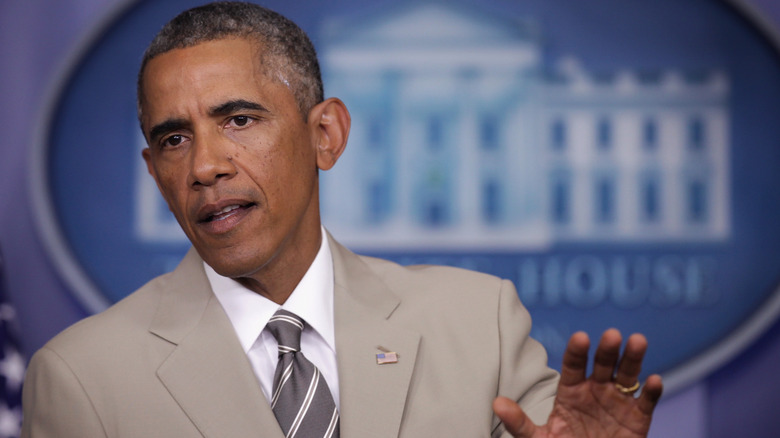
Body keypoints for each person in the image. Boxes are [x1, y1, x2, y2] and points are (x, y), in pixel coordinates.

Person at [21, 2, 663, 437]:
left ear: (325, 134)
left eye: (239, 120)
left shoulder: (480, 324)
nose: (205, 165)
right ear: (154, 168)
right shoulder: (82, 378)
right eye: (173, 139)